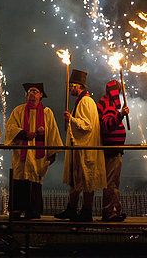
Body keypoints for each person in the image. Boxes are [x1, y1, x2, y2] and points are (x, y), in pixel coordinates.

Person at [55, 69, 106, 222]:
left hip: (86, 149)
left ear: (79, 86)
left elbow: (87, 125)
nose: (69, 88)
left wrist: (71, 118)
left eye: (71, 85)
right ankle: (72, 209)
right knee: (76, 180)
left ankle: (86, 211)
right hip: (79, 148)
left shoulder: (86, 101)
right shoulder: (82, 100)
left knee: (87, 181)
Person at [5, 83, 63, 220]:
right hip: (22, 153)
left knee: (35, 181)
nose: (32, 94)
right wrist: (24, 134)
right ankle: (16, 210)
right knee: (20, 180)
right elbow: (10, 128)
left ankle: (33, 211)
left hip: (38, 154)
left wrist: (52, 153)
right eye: (30, 91)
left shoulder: (47, 113)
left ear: (41, 95)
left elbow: (53, 133)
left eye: (35, 91)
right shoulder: (18, 110)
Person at [97, 79, 130, 222]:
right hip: (111, 151)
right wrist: (121, 114)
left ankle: (115, 210)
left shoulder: (107, 104)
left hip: (114, 150)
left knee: (113, 182)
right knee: (111, 183)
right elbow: (107, 125)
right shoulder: (109, 106)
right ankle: (110, 212)